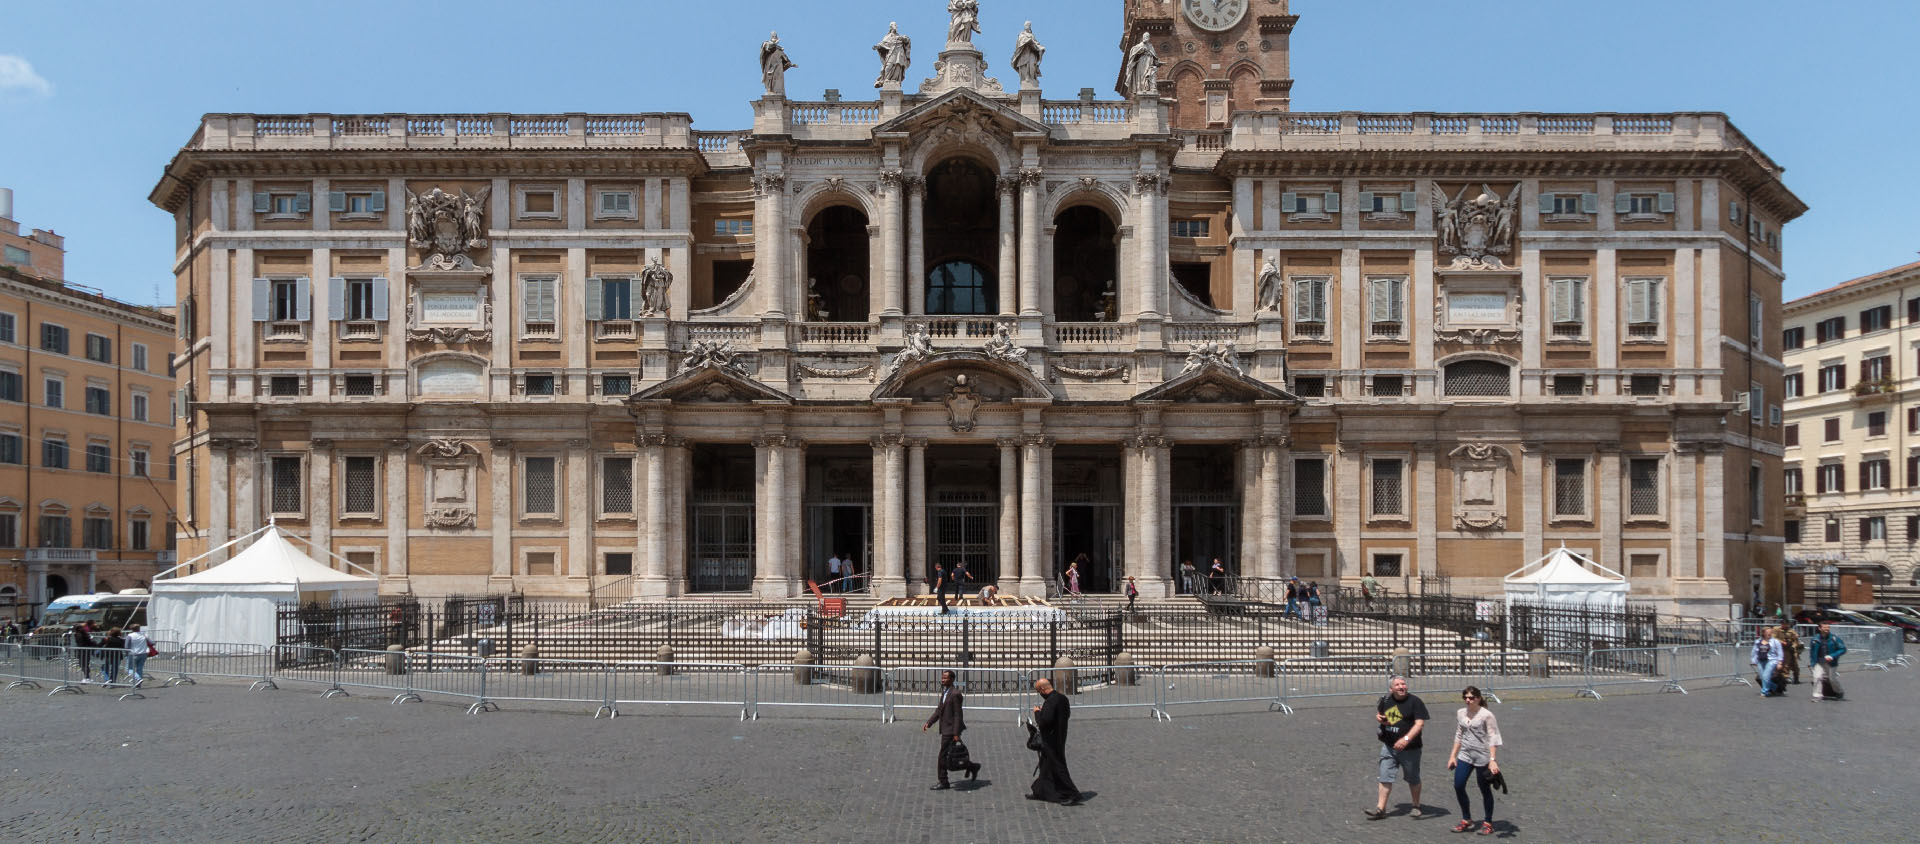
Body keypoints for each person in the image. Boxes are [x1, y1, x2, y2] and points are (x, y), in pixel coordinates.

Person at [1367, 675, 1433, 820]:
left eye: (1403, 684)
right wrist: (1379, 718)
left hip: (1410, 749)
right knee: (1385, 776)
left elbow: (1419, 724)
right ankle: (1380, 809)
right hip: (1389, 746)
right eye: (1397, 685)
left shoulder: (1415, 702)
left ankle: (1416, 805)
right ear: (1391, 689)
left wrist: (1406, 739)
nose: (1401, 687)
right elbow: (1383, 716)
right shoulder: (1386, 700)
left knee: (1412, 778)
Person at [1446, 685, 1503, 835]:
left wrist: (1492, 760)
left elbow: (1493, 737)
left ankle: (1488, 822)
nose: (1468, 700)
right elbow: (1459, 734)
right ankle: (1466, 819)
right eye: (1465, 697)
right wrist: (1453, 755)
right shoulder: (1461, 713)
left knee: (1484, 789)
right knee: (1458, 785)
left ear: (1478, 698)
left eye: (1471, 698)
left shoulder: (1486, 715)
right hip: (1465, 754)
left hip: (1482, 756)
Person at [1027, 677, 1082, 805]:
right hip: (1060, 735)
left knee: (1058, 767)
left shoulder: (1050, 702)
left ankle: (1072, 793)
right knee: (1045, 766)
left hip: (1051, 739)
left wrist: (1037, 713)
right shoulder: (1063, 699)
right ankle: (1040, 791)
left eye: (1038, 691)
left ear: (1042, 689)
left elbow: (1044, 722)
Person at [924, 670, 980, 788]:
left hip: (950, 730)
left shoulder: (955, 694)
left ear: (952, 679)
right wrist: (929, 722)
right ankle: (972, 767)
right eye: (942, 677)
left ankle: (943, 781)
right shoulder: (945, 692)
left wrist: (956, 733)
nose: (942, 680)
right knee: (951, 755)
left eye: (945, 678)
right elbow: (939, 710)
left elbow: (958, 715)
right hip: (945, 728)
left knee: (943, 756)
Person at [1807, 622, 1847, 701]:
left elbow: (1843, 649)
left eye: (1828, 627)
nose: (1827, 629)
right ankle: (1817, 695)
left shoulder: (1834, 638)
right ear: (1820, 628)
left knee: (1832, 678)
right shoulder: (1815, 639)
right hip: (1819, 661)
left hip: (1831, 662)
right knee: (1817, 677)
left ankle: (1839, 691)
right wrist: (1812, 663)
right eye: (1825, 627)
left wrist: (1832, 656)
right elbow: (1812, 652)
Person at [1751, 627, 1783, 697]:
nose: (1769, 633)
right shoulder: (1758, 641)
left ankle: (1764, 692)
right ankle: (1775, 687)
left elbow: (1780, 652)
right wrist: (1753, 661)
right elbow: (1754, 652)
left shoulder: (1775, 641)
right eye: (1767, 632)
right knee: (1762, 677)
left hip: (1772, 660)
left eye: (1771, 632)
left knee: (1766, 676)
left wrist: (1780, 662)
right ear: (1763, 633)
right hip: (1760, 660)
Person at [1772, 619, 1802, 685]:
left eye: (1786, 624)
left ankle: (1796, 677)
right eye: (1783, 624)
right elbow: (1773, 638)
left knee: (1795, 664)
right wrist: (1782, 642)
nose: (1785, 625)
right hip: (1782, 649)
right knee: (1785, 664)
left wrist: (1793, 646)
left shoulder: (1792, 631)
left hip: (1791, 649)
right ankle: (1785, 677)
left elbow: (1796, 641)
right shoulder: (1776, 629)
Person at [124, 624, 153, 688]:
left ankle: (138, 679)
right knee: (139, 668)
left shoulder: (130, 636)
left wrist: (126, 653)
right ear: (139, 628)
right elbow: (152, 643)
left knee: (129, 669)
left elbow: (126, 646)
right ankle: (138, 684)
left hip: (133, 653)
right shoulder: (144, 635)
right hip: (143, 653)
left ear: (132, 629)